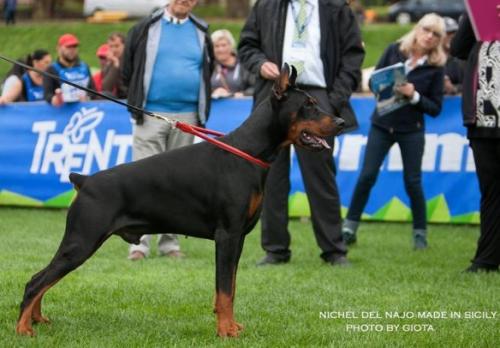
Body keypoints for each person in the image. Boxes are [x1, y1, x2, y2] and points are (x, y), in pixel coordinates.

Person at [238, 0, 365, 266]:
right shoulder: (267, 5)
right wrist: (260, 64)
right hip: (276, 96)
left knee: (321, 176)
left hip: (318, 97)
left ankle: (334, 250)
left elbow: (353, 55)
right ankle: (275, 249)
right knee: (271, 176)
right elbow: (247, 46)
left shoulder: (336, 8)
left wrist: (335, 99)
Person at [342, 13, 446, 250]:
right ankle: (349, 228)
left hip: (411, 130)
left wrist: (414, 95)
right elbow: (372, 82)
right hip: (382, 124)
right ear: (417, 30)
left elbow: (435, 108)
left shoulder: (436, 67)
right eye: (426, 30)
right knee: (367, 176)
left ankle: (420, 235)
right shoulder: (394, 50)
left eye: (436, 34)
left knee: (413, 182)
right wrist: (382, 84)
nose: (429, 37)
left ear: (439, 40)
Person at [122, 0, 214, 261]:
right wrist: (138, 102)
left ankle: (169, 244)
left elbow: (209, 70)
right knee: (143, 180)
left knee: (179, 184)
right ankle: (138, 244)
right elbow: (128, 69)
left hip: (188, 116)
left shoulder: (202, 30)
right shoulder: (144, 27)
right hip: (151, 113)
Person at [450, 12, 500, 273]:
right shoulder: (480, 12)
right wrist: (474, 14)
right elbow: (457, 48)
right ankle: (487, 259)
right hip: (483, 120)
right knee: (491, 191)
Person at [44, 33, 96, 106]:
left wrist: (87, 98)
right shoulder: (51, 69)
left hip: (83, 111)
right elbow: (47, 95)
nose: (72, 50)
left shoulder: (84, 67)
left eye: (74, 47)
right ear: (58, 48)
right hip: (62, 111)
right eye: (68, 47)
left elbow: (93, 90)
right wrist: (54, 99)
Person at [210, 29, 254, 98]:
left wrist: (243, 94)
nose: (220, 49)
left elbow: (256, 87)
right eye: (216, 46)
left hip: (239, 106)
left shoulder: (244, 64)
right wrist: (213, 92)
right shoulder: (209, 65)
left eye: (223, 45)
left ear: (231, 46)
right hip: (215, 107)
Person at [101, 32, 127, 98]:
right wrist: (115, 64)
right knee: (104, 95)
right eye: (111, 46)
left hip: (132, 98)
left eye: (117, 46)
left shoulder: (131, 60)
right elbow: (106, 87)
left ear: (125, 46)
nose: (113, 50)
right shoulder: (112, 61)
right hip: (120, 99)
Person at [442, 17, 463, 95]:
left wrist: (454, 88)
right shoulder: (429, 57)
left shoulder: (461, 58)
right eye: (448, 33)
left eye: (454, 33)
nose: (452, 36)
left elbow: (472, 83)